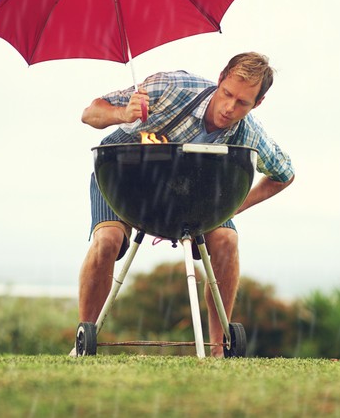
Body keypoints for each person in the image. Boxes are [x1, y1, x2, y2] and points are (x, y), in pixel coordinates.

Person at [77, 52, 295, 357]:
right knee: (107, 241)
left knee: (227, 240)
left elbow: (284, 174)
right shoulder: (170, 88)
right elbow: (90, 113)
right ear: (220, 79)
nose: (230, 108)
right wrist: (123, 115)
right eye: (228, 94)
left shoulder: (250, 133)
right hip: (122, 175)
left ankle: (218, 349)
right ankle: (84, 342)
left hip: (191, 191)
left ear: (257, 104)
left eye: (243, 103)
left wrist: (232, 209)